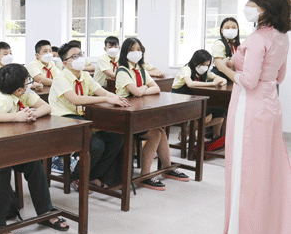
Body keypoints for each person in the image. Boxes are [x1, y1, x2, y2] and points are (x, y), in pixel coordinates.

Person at [212, 0, 291, 234]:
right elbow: (279, 76)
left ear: (266, 7)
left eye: (252, 3)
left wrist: (224, 66)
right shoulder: (282, 36)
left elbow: (247, 80)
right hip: (271, 105)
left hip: (249, 107)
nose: (246, 8)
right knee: (264, 172)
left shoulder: (258, 39)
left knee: (242, 171)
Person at [0, 63, 69, 234]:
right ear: (18, 89)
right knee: (2, 170)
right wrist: (16, 117)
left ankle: (45, 212)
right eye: (26, 81)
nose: (29, 84)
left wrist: (31, 114)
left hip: (4, 145)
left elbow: (46, 107)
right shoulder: (2, 100)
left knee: (34, 163)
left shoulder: (24, 94)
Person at [49, 42, 129, 190]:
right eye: (74, 56)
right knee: (96, 145)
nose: (79, 58)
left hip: (81, 120)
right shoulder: (61, 78)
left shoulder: (84, 75)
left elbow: (103, 92)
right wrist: (107, 99)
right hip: (62, 121)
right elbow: (76, 99)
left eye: (80, 54)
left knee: (117, 137)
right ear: (65, 63)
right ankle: (76, 177)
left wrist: (118, 98)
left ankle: (91, 176)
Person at [115, 38, 189, 190]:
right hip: (124, 115)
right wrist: (141, 89)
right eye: (132, 50)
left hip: (138, 111)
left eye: (138, 49)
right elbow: (134, 92)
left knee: (160, 131)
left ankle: (167, 168)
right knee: (155, 134)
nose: (136, 53)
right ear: (125, 52)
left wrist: (140, 89)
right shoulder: (122, 70)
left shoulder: (141, 70)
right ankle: (145, 175)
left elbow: (156, 88)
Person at [171, 49, 227, 140]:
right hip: (180, 101)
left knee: (220, 114)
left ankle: (212, 137)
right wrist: (212, 84)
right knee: (207, 116)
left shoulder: (204, 72)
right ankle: (187, 131)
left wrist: (221, 81)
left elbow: (222, 79)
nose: (205, 67)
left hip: (195, 101)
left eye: (207, 65)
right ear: (195, 62)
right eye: (203, 65)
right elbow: (190, 83)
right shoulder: (186, 69)